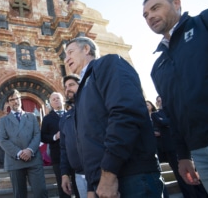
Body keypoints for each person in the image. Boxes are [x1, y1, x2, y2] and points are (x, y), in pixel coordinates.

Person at [143, 0, 208, 197]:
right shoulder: (158, 66)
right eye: (146, 15)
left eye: (155, 8)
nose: (150, 16)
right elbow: (172, 112)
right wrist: (183, 156)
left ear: (176, 3)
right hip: (201, 153)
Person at [64, 36, 163, 197]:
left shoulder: (107, 64)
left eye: (70, 52)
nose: (66, 58)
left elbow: (125, 114)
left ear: (86, 49)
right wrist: (91, 185)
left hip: (129, 175)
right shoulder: (84, 87)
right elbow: (90, 138)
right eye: (65, 55)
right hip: (103, 180)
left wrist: (108, 173)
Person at [152, 96, 208, 198]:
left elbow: (173, 122)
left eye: (161, 99)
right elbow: (163, 122)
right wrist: (168, 121)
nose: (159, 101)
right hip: (170, 148)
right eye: (158, 100)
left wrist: (167, 122)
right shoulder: (155, 114)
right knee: (181, 175)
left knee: (194, 173)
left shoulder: (174, 110)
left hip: (184, 146)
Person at [0, 89, 47, 198]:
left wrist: (29, 150)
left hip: (33, 160)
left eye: (17, 98)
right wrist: (19, 152)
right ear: (8, 103)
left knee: (41, 192)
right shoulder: (4, 121)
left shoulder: (31, 117)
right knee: (20, 194)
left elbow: (37, 135)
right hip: (15, 161)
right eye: (12, 99)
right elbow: (3, 140)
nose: (15, 101)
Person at [59, 74, 87, 198]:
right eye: (65, 87)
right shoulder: (65, 118)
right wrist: (65, 174)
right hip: (79, 174)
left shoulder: (92, 108)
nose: (68, 89)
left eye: (71, 85)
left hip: (101, 173)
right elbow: (64, 148)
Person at [41, 92, 71, 198]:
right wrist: (54, 137)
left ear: (63, 100)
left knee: (77, 185)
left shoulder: (71, 114)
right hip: (57, 156)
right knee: (63, 187)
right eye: (53, 99)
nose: (56, 100)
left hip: (74, 155)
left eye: (58, 98)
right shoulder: (47, 119)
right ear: (51, 104)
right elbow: (43, 137)